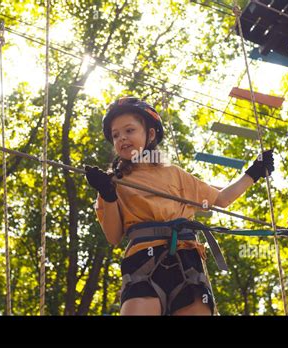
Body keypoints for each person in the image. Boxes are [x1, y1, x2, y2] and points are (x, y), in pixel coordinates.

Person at [85, 96, 274, 315]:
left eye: (129, 130)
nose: (122, 139)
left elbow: (222, 199)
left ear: (151, 134)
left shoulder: (174, 174)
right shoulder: (113, 182)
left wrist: (254, 172)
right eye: (115, 135)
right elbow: (113, 236)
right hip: (142, 262)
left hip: (187, 261)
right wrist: (108, 195)